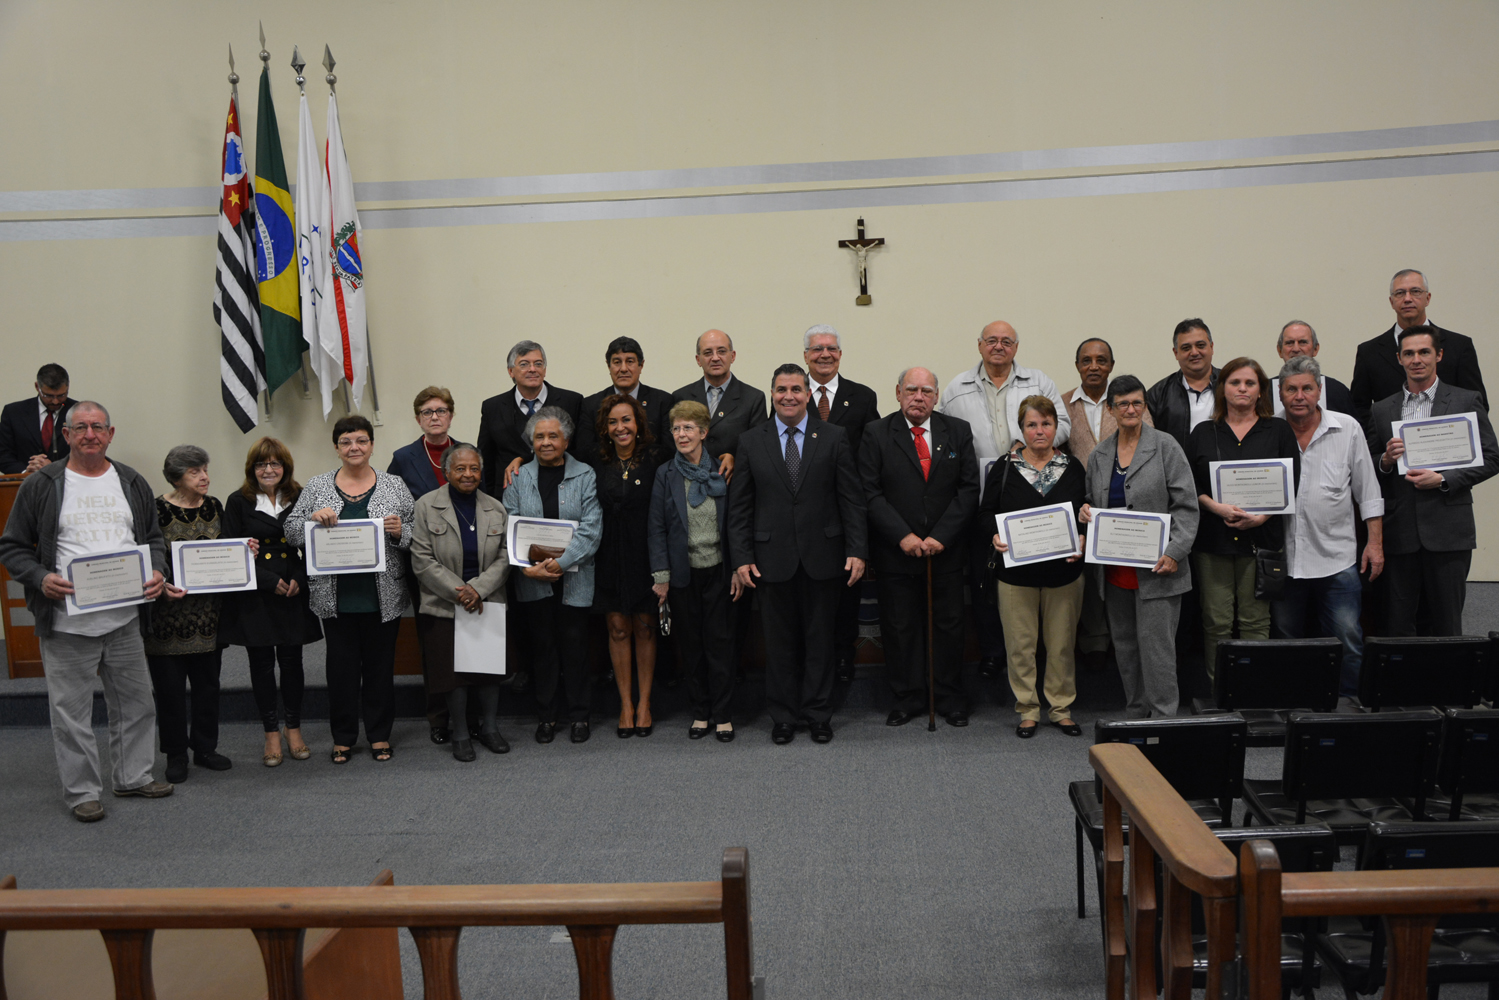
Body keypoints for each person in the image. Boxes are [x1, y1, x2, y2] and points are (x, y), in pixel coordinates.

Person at [0, 402, 174, 821]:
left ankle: (133, 776)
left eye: (98, 427)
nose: (90, 434)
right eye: (81, 428)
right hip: (65, 623)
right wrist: (41, 578)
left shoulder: (130, 481)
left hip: (124, 620)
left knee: (137, 705)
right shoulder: (41, 484)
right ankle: (81, 792)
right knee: (71, 714)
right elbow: (12, 547)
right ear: (66, 435)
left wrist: (156, 570)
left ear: (111, 434)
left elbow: (153, 539)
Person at [728, 363, 868, 744]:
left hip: (825, 555)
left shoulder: (834, 436)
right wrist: (741, 557)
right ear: (771, 394)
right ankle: (784, 716)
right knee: (780, 645)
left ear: (808, 394)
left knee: (821, 640)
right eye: (780, 389)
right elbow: (740, 506)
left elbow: (851, 499)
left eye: (795, 389)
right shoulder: (751, 440)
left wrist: (857, 549)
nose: (788, 396)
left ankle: (818, 713)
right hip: (770, 559)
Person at [939, 320, 1069, 680]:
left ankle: (1035, 657)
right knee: (985, 581)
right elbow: (944, 437)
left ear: (1016, 347)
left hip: (1031, 502)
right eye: (992, 341)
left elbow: (1064, 424)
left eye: (1007, 341)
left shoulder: (1039, 381)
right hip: (979, 503)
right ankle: (993, 652)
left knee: (1032, 580)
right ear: (979, 345)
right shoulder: (956, 388)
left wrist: (1026, 444)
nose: (999, 346)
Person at [286, 415, 415, 765]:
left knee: (379, 669)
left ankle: (379, 736)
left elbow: (417, 534)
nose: (354, 447)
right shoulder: (316, 486)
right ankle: (343, 737)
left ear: (371, 445)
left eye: (360, 440)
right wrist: (312, 519)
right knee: (340, 672)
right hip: (336, 598)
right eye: (346, 441)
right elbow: (292, 530)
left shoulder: (394, 485)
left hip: (383, 597)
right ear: (336, 447)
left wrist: (399, 531)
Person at [860, 367, 977, 727]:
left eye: (926, 391)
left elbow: (969, 489)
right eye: (911, 389)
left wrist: (941, 535)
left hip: (946, 551)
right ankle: (907, 697)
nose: (918, 397)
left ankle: (948, 696)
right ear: (897, 393)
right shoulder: (877, 433)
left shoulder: (956, 431)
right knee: (900, 628)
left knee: (948, 626)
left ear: (937, 396)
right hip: (897, 553)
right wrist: (903, 535)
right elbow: (870, 492)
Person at [1080, 377, 1199, 719]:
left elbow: (1186, 506)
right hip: (1115, 570)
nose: (1130, 410)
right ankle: (1135, 711)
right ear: (1110, 409)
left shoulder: (1166, 446)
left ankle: (1164, 718)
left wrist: (1176, 551)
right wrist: (1085, 511)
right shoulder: (1101, 454)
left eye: (1137, 403)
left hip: (1159, 568)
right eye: (1122, 404)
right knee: (1127, 647)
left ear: (1145, 406)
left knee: (1157, 650)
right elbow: (1093, 500)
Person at [1369, 326, 1499, 636]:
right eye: (1409, 353)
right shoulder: (1381, 409)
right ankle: (1401, 685)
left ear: (1438, 355)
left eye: (1424, 352)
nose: (1417, 359)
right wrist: (1385, 461)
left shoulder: (1466, 400)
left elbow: (1492, 457)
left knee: (1447, 623)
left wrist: (1443, 479)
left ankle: (1450, 685)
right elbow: (1369, 464)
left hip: (1449, 529)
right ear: (1399, 358)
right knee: (1399, 624)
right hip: (1400, 531)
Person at [1273, 357, 1385, 697]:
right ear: (1280, 393)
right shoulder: (1268, 430)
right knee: (1285, 641)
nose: (1299, 396)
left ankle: (1349, 703)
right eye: (1291, 389)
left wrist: (1375, 543)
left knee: (1348, 638)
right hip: (1285, 559)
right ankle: (1294, 703)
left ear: (1320, 390)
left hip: (1337, 557)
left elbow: (1368, 491)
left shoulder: (1347, 428)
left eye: (1307, 388)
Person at [1185, 358, 1300, 679]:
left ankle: (1253, 692)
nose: (1242, 389)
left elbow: (1292, 480)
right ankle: (1220, 691)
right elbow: (1187, 484)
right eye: (1235, 382)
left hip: (1261, 541)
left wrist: (1262, 517)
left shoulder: (1278, 430)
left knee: (1255, 620)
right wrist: (1215, 507)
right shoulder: (1204, 432)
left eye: (1250, 383)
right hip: (1212, 541)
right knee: (1216, 621)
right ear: (1223, 388)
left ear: (1261, 390)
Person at [982, 395, 1087, 737]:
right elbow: (985, 514)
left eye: (1046, 423)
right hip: (1016, 575)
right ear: (1021, 428)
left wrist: (1084, 538)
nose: (1039, 431)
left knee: (1061, 645)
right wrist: (995, 536)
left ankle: (1060, 708)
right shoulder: (1004, 467)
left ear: (1056, 427)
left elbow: (1087, 513)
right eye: (1031, 424)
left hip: (1064, 573)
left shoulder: (1072, 467)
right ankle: (1027, 708)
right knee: (1020, 646)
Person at [219, 437, 322, 767]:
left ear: (285, 467)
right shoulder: (238, 501)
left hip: (293, 590)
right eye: (261, 464)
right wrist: (268, 581)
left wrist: (298, 579)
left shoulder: (301, 496)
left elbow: (313, 543)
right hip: (257, 595)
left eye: (275, 463)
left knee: (292, 664)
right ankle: (271, 735)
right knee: (261, 666)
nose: (268, 469)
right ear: (252, 469)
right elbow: (231, 549)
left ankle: (294, 730)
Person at [503, 406, 603, 744]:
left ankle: (579, 717)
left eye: (553, 436)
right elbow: (510, 524)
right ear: (531, 441)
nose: (546, 442)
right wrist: (528, 567)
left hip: (575, 580)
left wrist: (561, 563)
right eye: (539, 436)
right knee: (542, 650)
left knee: (575, 649)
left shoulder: (586, 474)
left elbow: (591, 529)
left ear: (567, 439)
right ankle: (546, 717)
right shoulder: (518, 477)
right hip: (532, 580)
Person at [410, 445, 511, 762]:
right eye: (461, 469)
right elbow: (422, 561)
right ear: (447, 472)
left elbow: (506, 557)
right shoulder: (426, 506)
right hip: (444, 602)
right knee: (453, 674)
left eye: (474, 469)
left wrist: (477, 590)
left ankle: (491, 728)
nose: (468, 475)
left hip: (486, 600)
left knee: (488, 670)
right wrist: (460, 591)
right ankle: (461, 733)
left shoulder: (495, 508)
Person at [649, 401, 741, 741]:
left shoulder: (724, 470)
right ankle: (700, 713)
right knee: (692, 646)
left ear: (704, 432)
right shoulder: (665, 474)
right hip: (682, 574)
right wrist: (661, 576)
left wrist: (736, 568)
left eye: (689, 428)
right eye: (676, 428)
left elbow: (735, 524)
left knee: (720, 645)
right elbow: (657, 528)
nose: (682, 434)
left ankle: (723, 714)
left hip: (720, 572)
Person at [1062, 338, 1152, 672]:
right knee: (1091, 577)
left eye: (1102, 360)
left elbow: (1150, 443)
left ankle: (1121, 644)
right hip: (1085, 506)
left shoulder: (1128, 401)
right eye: (1087, 360)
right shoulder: (1064, 404)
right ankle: (1094, 644)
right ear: (1077, 366)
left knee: (1122, 579)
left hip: (1126, 511)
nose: (1094, 366)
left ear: (1112, 365)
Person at [145, 445, 232, 783]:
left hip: (209, 616)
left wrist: (243, 550)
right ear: (176, 476)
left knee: (208, 687)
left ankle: (205, 749)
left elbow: (227, 550)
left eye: (205, 469)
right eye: (195, 472)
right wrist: (162, 584)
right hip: (167, 617)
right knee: (169, 692)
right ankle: (176, 754)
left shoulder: (214, 506)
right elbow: (147, 555)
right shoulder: (155, 509)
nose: (204, 476)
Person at [388, 386, 465, 745]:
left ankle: (470, 713)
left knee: (469, 637)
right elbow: (392, 506)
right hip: (425, 564)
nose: (435, 417)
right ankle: (438, 716)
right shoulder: (403, 458)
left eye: (441, 410)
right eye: (427, 411)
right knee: (433, 641)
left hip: (468, 561)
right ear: (418, 418)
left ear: (451, 415)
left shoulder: (467, 453)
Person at [803, 324, 881, 682]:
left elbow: (872, 454)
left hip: (847, 507)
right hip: (803, 510)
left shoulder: (861, 397)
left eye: (831, 349)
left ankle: (844, 655)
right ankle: (812, 659)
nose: (824, 354)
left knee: (847, 584)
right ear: (805, 355)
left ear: (840, 354)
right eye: (817, 349)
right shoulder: (792, 393)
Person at [590, 393, 661, 738]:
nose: (621, 428)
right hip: (606, 557)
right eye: (613, 422)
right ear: (605, 428)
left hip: (646, 555)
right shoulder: (594, 461)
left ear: (638, 424)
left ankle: (645, 703)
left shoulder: (656, 459)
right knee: (618, 628)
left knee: (645, 627)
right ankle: (625, 705)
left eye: (627, 420)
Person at [1351, 269, 1487, 429]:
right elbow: (1358, 408)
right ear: (1391, 301)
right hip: (1393, 447)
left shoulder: (1459, 346)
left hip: (1447, 443)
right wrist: (1384, 441)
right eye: (1400, 293)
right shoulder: (1369, 352)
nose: (1407, 299)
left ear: (1427, 298)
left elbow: (1477, 404)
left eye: (1415, 291)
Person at [476, 340, 584, 496]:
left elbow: (578, 451)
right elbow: (486, 459)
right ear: (510, 371)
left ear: (545, 370)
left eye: (538, 364)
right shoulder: (493, 407)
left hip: (561, 495)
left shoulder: (572, 402)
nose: (532, 369)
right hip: (509, 496)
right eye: (524, 364)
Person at [671, 330, 769, 483]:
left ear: (733, 356)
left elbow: (759, 449)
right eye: (708, 353)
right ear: (698, 359)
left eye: (722, 351)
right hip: (689, 483)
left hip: (733, 485)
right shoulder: (681, 396)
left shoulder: (753, 398)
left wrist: (735, 458)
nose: (715, 358)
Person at [573, 336, 676, 462]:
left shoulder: (663, 402)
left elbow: (669, 451)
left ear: (641, 365)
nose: (623, 369)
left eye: (630, 361)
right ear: (608, 366)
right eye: (617, 362)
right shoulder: (591, 405)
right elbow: (585, 452)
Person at [1146, 319, 1220, 453]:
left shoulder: (1231, 385)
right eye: (1186, 348)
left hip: (1223, 470)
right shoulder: (1157, 394)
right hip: (1176, 471)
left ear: (1212, 347)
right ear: (1176, 353)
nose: (1194, 352)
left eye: (1200, 345)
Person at [0, 363, 75, 474]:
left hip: (67, 483)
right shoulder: (13, 412)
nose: (55, 401)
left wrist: (56, 468)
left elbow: (88, 455)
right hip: (24, 485)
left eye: (61, 395)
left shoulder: (79, 412)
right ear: (37, 387)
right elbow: (3, 455)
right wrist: (27, 471)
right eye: (48, 396)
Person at [1269, 322, 1355, 418]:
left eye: (1303, 342)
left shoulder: (1338, 391)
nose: (1296, 349)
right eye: (1289, 343)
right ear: (1279, 350)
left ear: (1315, 349)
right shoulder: (1264, 391)